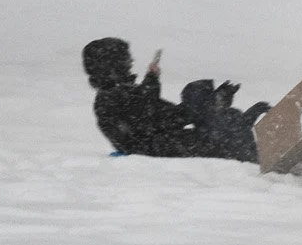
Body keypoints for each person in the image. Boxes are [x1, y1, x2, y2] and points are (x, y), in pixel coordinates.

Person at [81, 37, 268, 159]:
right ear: (110, 65)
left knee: (222, 114)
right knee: (214, 138)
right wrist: (152, 81)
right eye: (124, 59)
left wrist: (213, 102)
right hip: (152, 148)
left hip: (161, 142)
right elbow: (148, 119)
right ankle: (260, 157)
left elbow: (169, 116)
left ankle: (262, 149)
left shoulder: (122, 93)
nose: (130, 63)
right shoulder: (109, 99)